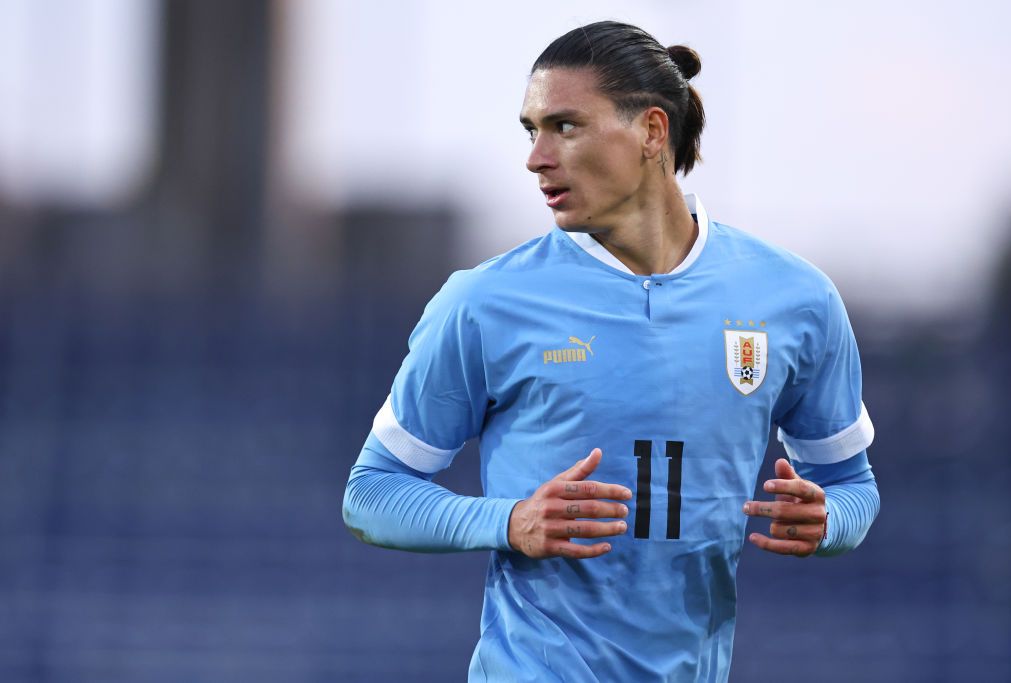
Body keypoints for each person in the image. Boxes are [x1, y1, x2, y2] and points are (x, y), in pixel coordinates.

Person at [343, 20, 880, 682]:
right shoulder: (484, 302)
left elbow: (853, 486)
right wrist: (508, 520)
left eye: (565, 126)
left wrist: (828, 521)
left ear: (652, 132)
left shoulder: (794, 299)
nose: (536, 156)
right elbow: (371, 492)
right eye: (530, 129)